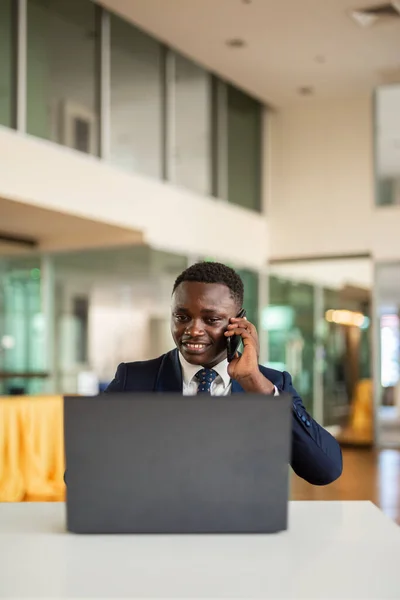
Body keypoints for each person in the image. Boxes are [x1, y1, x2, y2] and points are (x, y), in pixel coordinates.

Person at [106, 261, 342, 486]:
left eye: (211, 319)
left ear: (239, 322)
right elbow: (80, 474)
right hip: (160, 521)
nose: (193, 329)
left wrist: (255, 384)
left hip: (241, 524)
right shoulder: (133, 380)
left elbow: (325, 470)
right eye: (182, 317)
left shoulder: (270, 384)